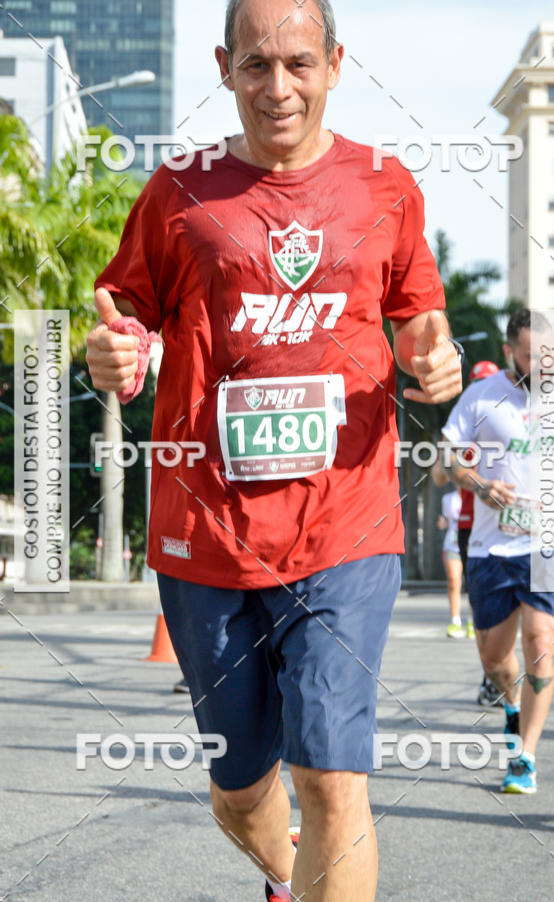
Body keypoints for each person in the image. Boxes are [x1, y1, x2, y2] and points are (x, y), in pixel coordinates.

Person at [86, 1, 462, 899]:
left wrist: (433, 360)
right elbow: (122, 316)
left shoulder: (385, 187)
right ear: (225, 68)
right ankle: (291, 876)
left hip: (345, 526)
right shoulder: (179, 191)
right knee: (238, 794)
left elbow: (421, 322)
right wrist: (115, 352)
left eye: (299, 63)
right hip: (207, 533)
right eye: (257, 66)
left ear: (337, 63)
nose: (279, 87)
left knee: (333, 778)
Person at [439, 308, 554, 794]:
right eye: (532, 356)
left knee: (540, 638)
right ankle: (511, 704)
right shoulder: (482, 396)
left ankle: (524, 757)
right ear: (511, 352)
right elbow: (445, 460)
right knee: (494, 655)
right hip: (493, 547)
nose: (544, 366)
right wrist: (480, 484)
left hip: (552, 539)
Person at [433, 360, 501, 701]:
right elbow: (437, 475)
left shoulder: (512, 421)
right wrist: (454, 461)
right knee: (483, 609)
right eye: (477, 386)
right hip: (471, 529)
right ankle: (491, 676)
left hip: (511, 529)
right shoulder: (461, 428)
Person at [437, 488, 469, 637]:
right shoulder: (447, 498)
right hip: (452, 545)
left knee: (473, 584)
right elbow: (444, 520)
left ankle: (473, 621)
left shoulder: (475, 494)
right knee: (453, 581)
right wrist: (442, 523)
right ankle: (455, 622)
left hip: (472, 544)